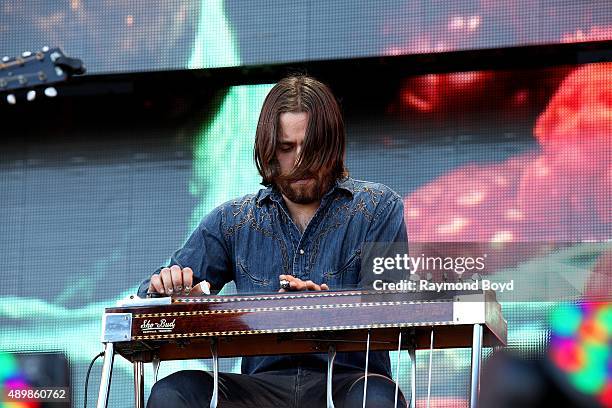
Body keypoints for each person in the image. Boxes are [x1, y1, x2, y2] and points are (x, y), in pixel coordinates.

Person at [138, 75, 408, 407]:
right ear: (269, 149)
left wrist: (328, 307)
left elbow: (393, 308)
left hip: (349, 383)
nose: (300, 160)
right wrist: (168, 291)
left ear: (332, 143)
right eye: (286, 148)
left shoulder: (378, 208)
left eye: (311, 147)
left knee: (378, 398)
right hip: (258, 388)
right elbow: (148, 299)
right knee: (173, 392)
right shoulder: (233, 220)